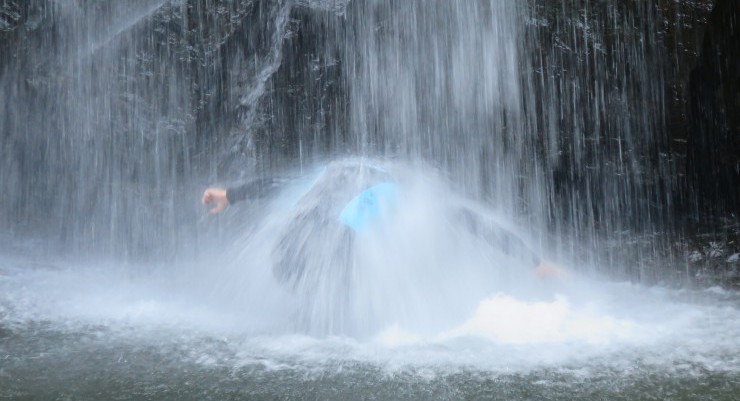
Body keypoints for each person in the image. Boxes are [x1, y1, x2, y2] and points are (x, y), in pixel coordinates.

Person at [202, 171, 563, 280]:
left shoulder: (338, 185)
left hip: (301, 251)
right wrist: (535, 262)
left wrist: (232, 195)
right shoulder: (415, 204)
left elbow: (281, 186)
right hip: (318, 251)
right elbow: (477, 223)